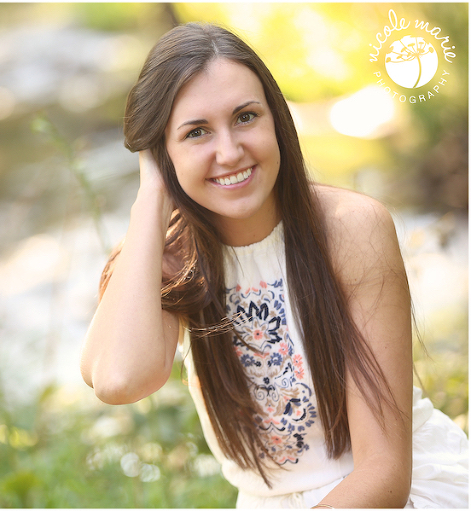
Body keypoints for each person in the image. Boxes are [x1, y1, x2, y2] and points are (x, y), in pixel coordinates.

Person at [80, 22, 468, 509]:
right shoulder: (163, 256)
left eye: (245, 117)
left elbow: (384, 476)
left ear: (276, 120)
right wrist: (150, 202)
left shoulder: (350, 229)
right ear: (162, 153)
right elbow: (117, 379)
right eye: (196, 132)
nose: (229, 151)